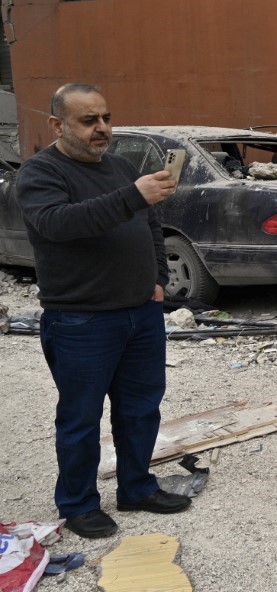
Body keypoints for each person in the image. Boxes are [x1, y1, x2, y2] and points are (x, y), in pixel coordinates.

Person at [16, 83, 191, 539]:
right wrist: (133, 195)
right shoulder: (40, 173)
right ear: (57, 125)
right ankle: (78, 504)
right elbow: (59, 224)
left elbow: (150, 224)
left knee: (140, 410)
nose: (102, 128)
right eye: (88, 120)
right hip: (81, 320)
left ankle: (137, 488)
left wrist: (158, 278)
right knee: (80, 418)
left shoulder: (120, 168)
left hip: (141, 313)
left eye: (106, 118)